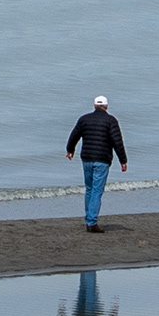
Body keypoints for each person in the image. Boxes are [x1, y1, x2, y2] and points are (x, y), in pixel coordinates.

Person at [66, 96, 129, 230]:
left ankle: (89, 218)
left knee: (89, 189)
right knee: (96, 190)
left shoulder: (84, 119)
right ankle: (91, 222)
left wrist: (70, 150)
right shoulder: (111, 120)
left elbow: (74, 135)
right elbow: (117, 142)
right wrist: (123, 161)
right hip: (102, 159)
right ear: (106, 106)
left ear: (94, 106)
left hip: (87, 158)